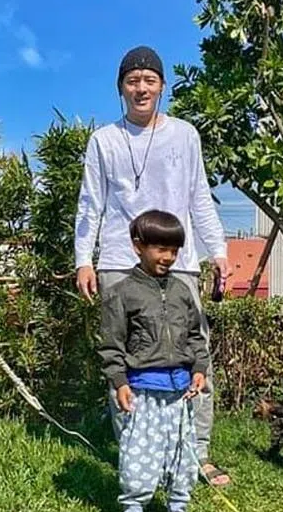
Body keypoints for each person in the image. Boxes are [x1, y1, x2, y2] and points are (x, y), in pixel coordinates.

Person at [74, 45, 232, 486]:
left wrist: (218, 251)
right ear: (120, 88)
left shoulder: (184, 135)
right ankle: (135, 456)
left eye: (149, 80)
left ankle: (196, 454)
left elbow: (199, 196)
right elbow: (90, 203)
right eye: (132, 81)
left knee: (193, 354)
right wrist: (84, 259)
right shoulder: (104, 140)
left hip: (179, 261)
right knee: (125, 359)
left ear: (162, 86)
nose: (141, 88)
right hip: (119, 262)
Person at [99, 210, 209, 512]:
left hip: (180, 391)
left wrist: (199, 368)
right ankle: (133, 511)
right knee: (139, 454)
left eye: (174, 251)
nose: (168, 257)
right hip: (143, 390)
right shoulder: (122, 293)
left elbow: (194, 336)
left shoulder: (182, 291)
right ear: (138, 246)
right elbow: (111, 344)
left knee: (182, 455)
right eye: (161, 249)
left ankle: (177, 508)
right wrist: (119, 382)